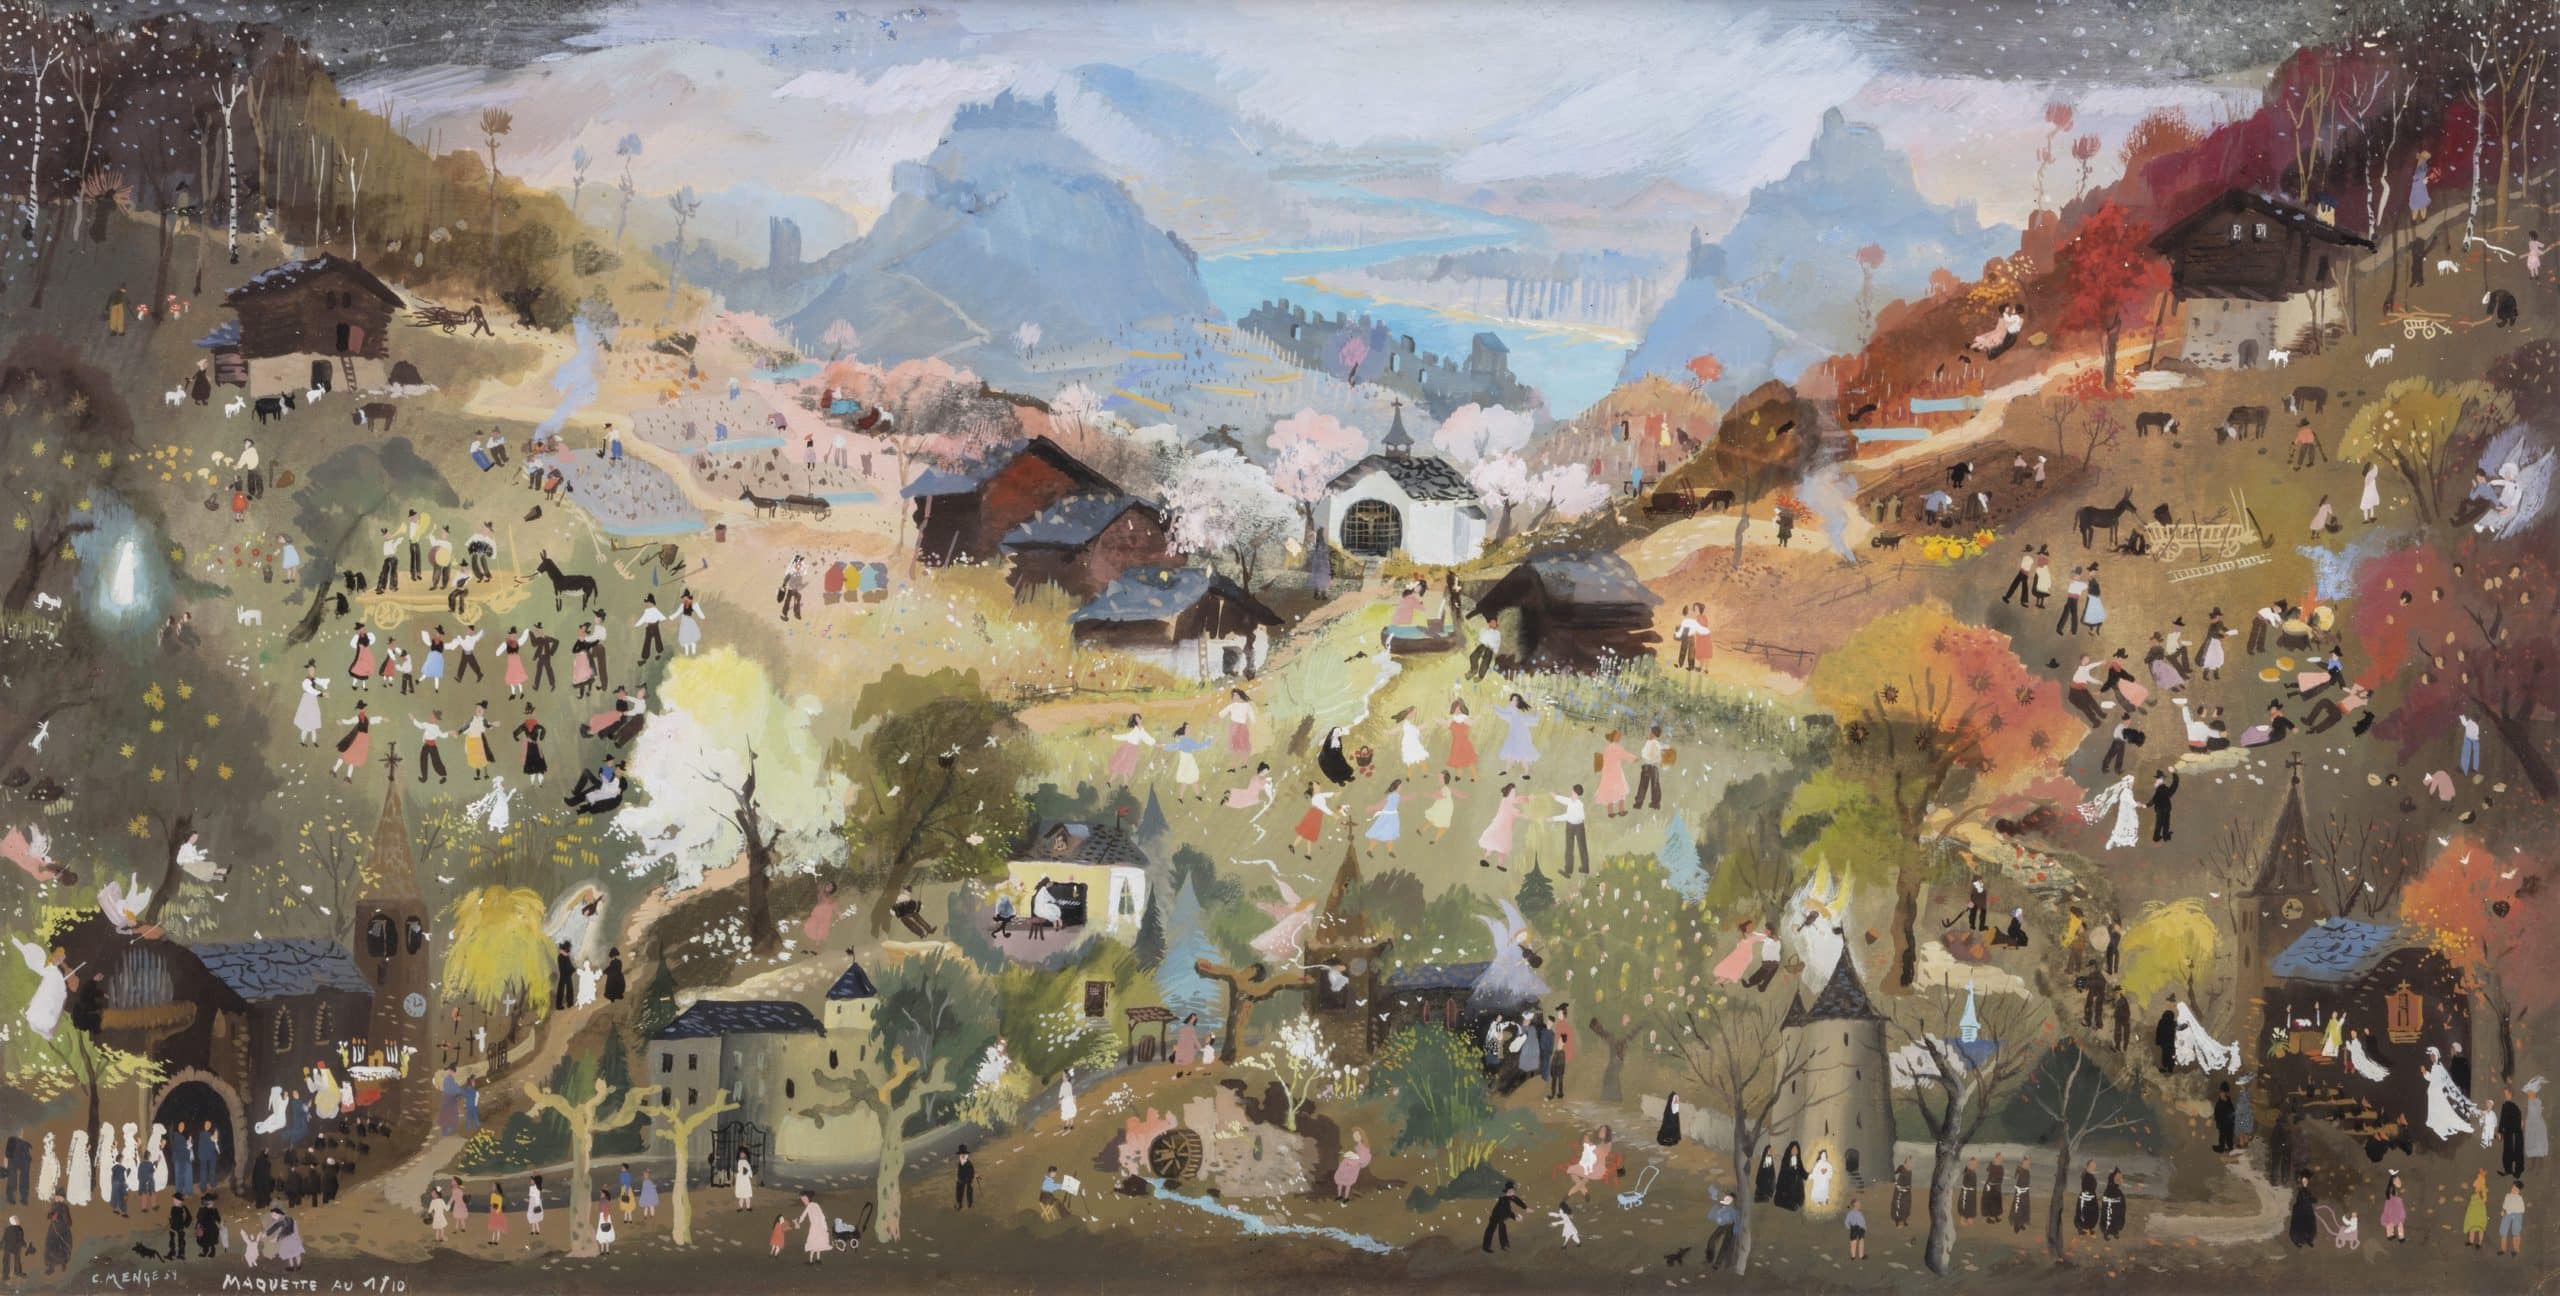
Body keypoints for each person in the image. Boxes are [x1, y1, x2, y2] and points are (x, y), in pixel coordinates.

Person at [1549, 785, 1590, 875]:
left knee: (1572, 848)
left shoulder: (1577, 805)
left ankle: (1570, 870)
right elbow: (1565, 800)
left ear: (1577, 794)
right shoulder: (1574, 801)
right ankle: (1584, 868)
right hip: (1578, 826)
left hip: (1573, 826)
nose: (1571, 793)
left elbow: (1566, 816)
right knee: (1579, 847)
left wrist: (1553, 818)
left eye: (1573, 792)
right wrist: (1555, 797)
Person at [1481, 1180, 1526, 1252]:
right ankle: (1502, 1245)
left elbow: (1517, 1200)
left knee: (1494, 1229)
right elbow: (1508, 1211)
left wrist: (1525, 1208)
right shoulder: (1504, 1199)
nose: (1513, 1192)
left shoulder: (1509, 1197)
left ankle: (1496, 1246)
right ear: (1508, 1191)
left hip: (1499, 1214)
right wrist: (1514, 1217)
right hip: (1497, 1215)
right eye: (1511, 1191)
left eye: (1513, 1191)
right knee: (1496, 1228)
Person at [1705, 1191, 1741, 1269]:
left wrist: (1736, 1231)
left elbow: (1736, 1219)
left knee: (1724, 1244)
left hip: (1730, 1226)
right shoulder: (1724, 1206)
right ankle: (1710, 1257)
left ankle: (1717, 1263)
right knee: (1713, 1239)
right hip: (1723, 1225)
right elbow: (1711, 1216)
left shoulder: (1733, 1209)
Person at [1333, 1130, 1370, 1203]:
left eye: (1357, 1136)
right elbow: (1353, 1154)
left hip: (1354, 1166)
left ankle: (1346, 1198)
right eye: (1354, 1136)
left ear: (1361, 1136)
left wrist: (1353, 1158)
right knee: (1340, 1179)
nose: (1355, 1137)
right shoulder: (1357, 1146)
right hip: (1349, 1164)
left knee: (1348, 1182)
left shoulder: (1364, 1147)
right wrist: (1349, 1155)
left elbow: (1361, 1159)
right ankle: (1339, 1195)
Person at [795, 1190, 828, 1265]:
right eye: (802, 1200)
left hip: (815, 1227)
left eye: (804, 1199)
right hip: (820, 1226)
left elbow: (803, 1216)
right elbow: (822, 1216)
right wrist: (825, 1227)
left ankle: (811, 1261)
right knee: (818, 1243)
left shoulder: (810, 1206)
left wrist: (798, 1222)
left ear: (808, 1198)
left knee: (813, 1243)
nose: (803, 1201)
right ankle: (818, 1259)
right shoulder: (816, 1205)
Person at [1773, 1143, 1807, 1212]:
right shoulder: (1786, 1159)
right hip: (1787, 1185)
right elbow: (1784, 1173)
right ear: (1790, 1150)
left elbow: (1803, 1172)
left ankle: (1796, 1202)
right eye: (1793, 1149)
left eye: (1796, 1150)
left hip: (1796, 1185)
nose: (1795, 1151)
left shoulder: (1798, 1160)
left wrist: (1809, 1174)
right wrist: (1792, 1169)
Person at [2462, 1169, 2491, 1248]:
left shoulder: (2482, 1191)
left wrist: (2481, 1191)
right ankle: (2471, 1241)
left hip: (2479, 1211)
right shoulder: (2473, 1192)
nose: (2475, 1184)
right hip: (2472, 1210)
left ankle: (2479, 1243)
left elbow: (2484, 1199)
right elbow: (2469, 1196)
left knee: (2480, 1227)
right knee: (2472, 1226)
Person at [2499, 1179, 2525, 1257]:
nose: (2513, 1190)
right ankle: (2503, 1249)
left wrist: (2510, 1211)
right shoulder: (2507, 1196)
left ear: (2519, 1191)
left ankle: (2516, 1249)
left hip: (2517, 1215)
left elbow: (2522, 1209)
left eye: (2516, 1189)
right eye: (2513, 1187)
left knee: (2516, 1232)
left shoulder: (2519, 1198)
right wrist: (2503, 1211)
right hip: (2507, 1214)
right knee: (2503, 1230)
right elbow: (2505, 1205)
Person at [2075, 1161, 2100, 1236]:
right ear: (2087, 1166)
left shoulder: (2090, 1174)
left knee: (2093, 1213)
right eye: (2092, 1166)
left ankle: (2088, 1228)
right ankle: (2083, 1229)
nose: (2094, 1167)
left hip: (2091, 1196)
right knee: (2085, 1213)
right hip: (2086, 1196)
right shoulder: (2086, 1175)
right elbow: (2086, 1187)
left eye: (2094, 1166)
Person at [1890, 1158, 1913, 1227]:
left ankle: (1904, 1220)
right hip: (1899, 1190)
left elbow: (1909, 1181)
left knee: (1906, 1206)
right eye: (1908, 1162)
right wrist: (1896, 1183)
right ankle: (1897, 1221)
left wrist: (1908, 1188)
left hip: (1907, 1191)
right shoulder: (1901, 1167)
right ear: (1905, 1163)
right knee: (1898, 1205)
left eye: (1910, 1162)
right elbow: (1894, 1173)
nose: (1910, 1164)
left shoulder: (1910, 1171)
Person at [954, 1145, 976, 1209]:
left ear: (966, 1154)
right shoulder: (960, 1162)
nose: (962, 1155)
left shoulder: (968, 1163)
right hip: (961, 1178)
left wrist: (971, 1179)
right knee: (959, 1189)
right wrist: (958, 1177)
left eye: (964, 1154)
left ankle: (969, 1203)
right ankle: (959, 1203)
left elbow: (972, 1171)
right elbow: (959, 1171)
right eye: (961, 1154)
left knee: (969, 1190)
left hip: (968, 1178)